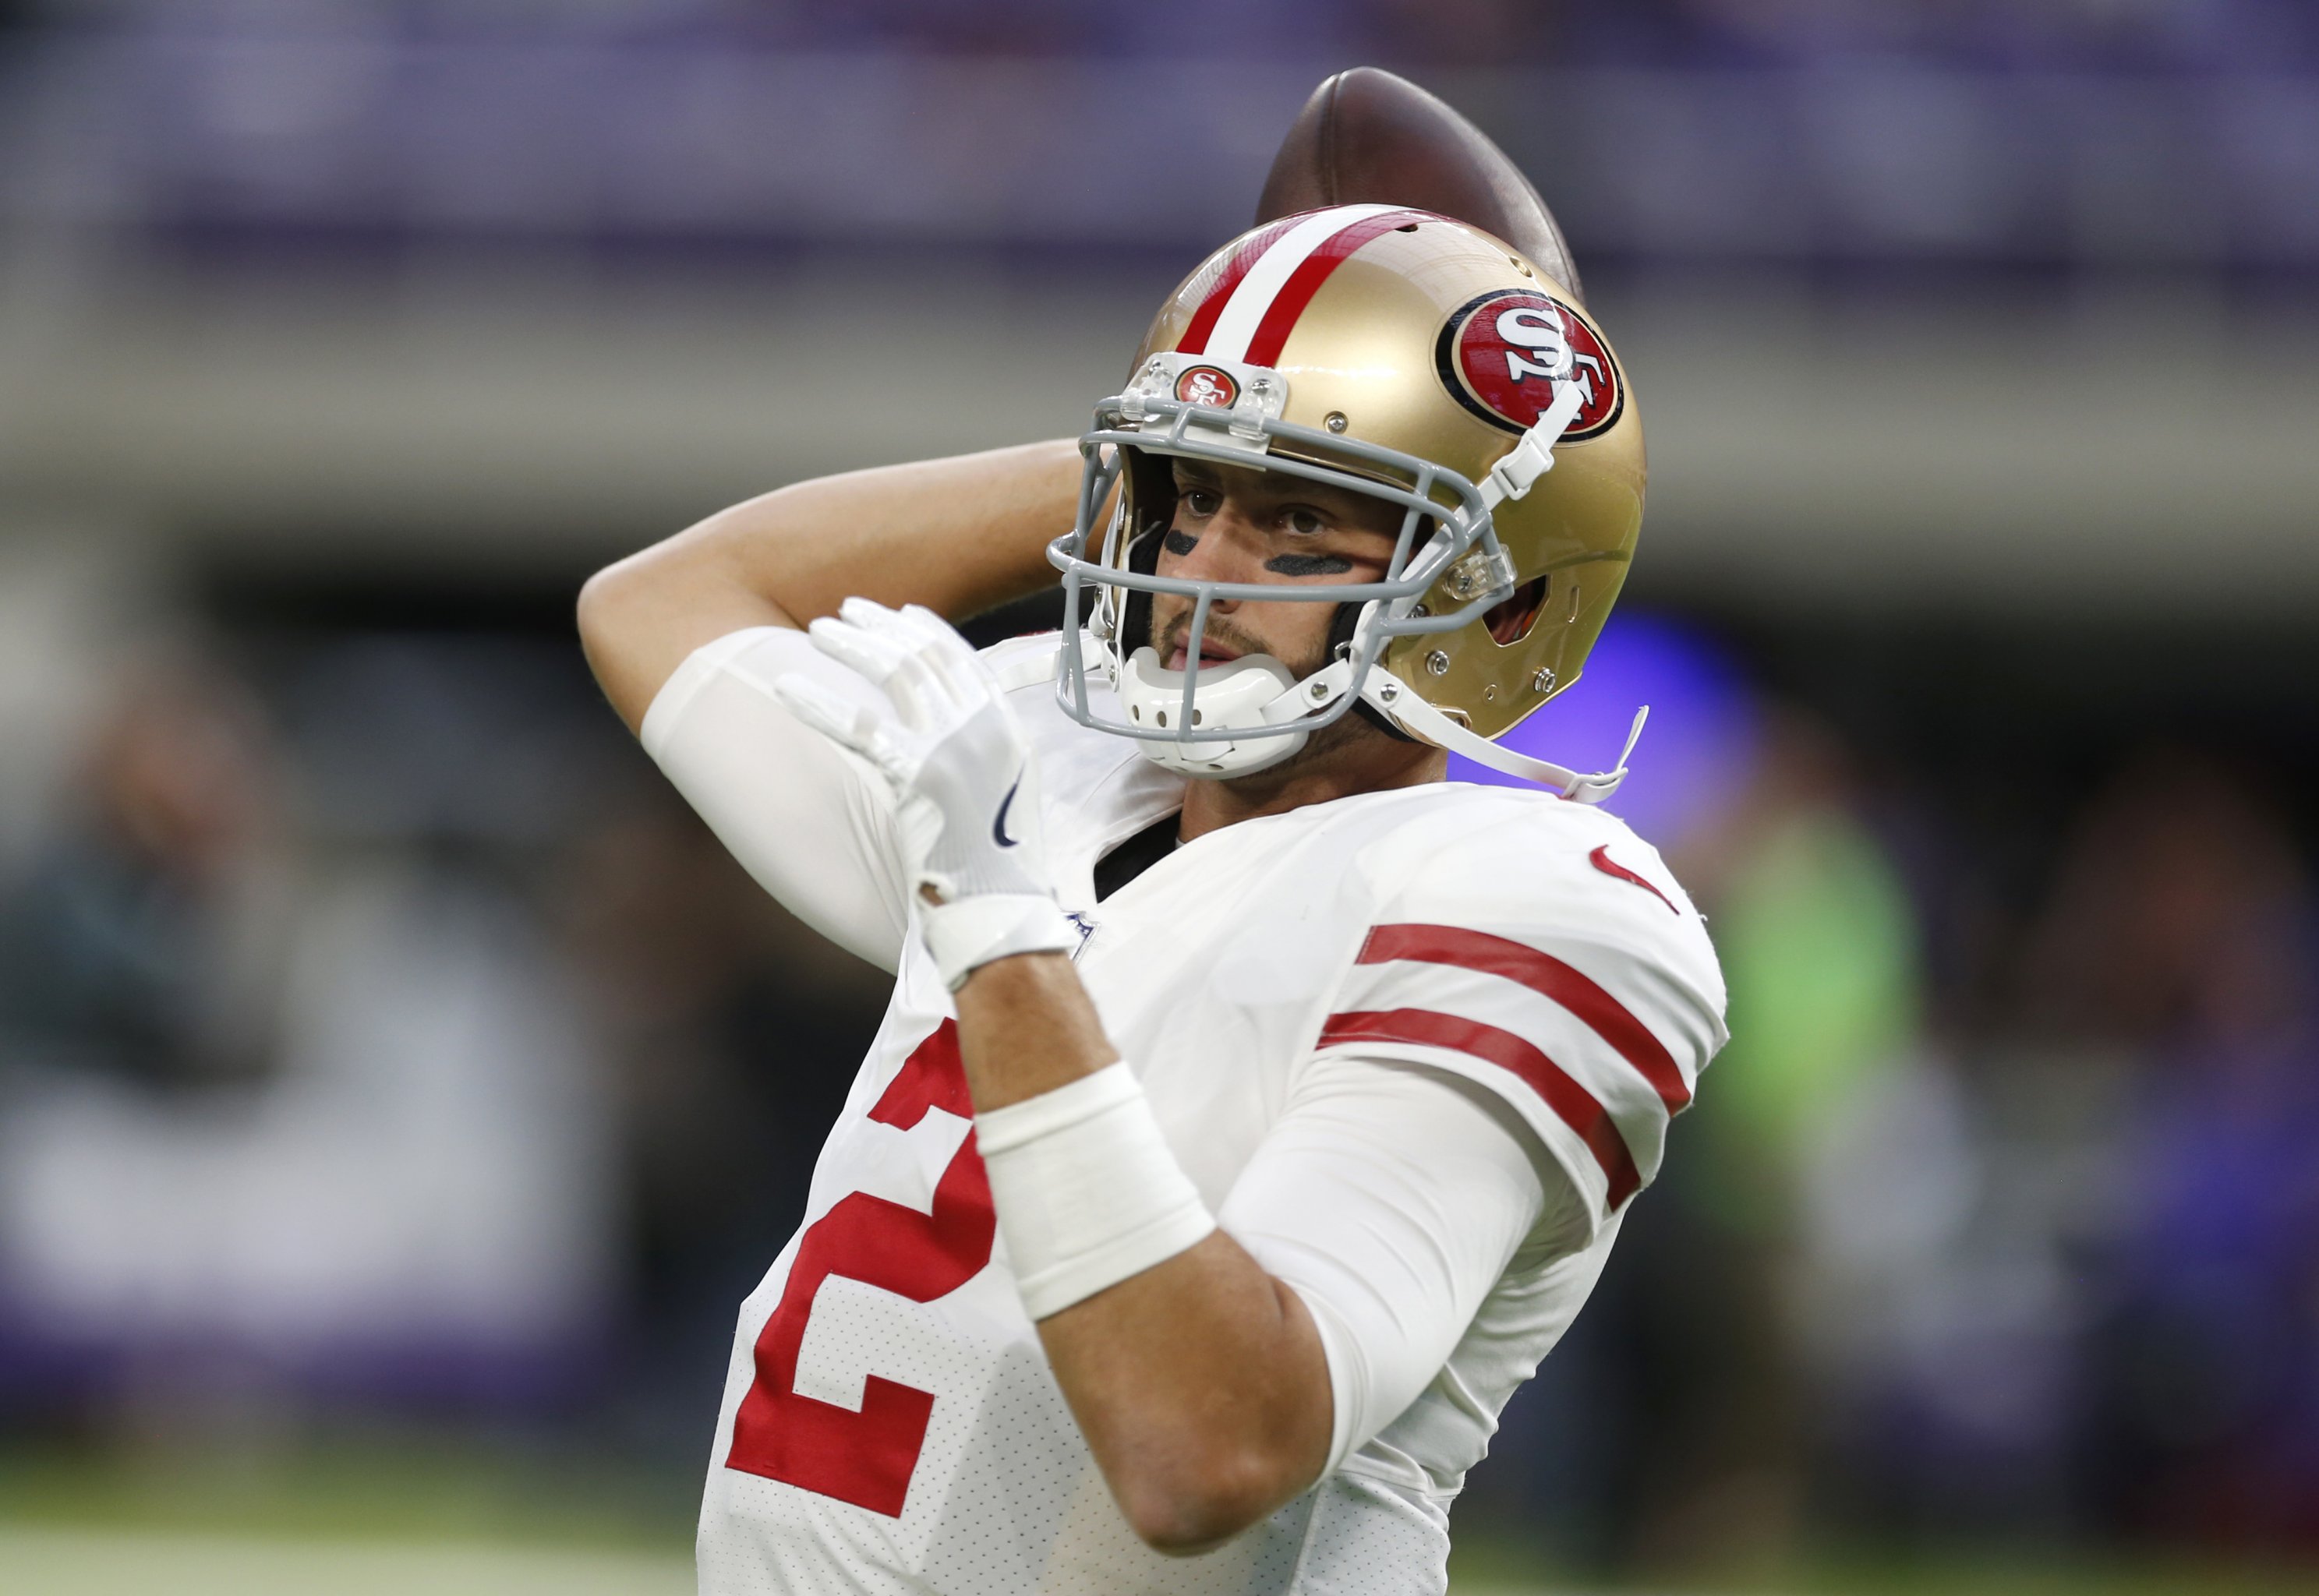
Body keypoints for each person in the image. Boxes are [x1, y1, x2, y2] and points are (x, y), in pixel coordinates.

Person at [578, 203, 1727, 1594]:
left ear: (1498, 593)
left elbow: (1209, 1452)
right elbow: (669, 602)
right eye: (1186, 504)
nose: (1191, 575)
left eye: (1298, 518)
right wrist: (1199, 425)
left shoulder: (1529, 901)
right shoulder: (1059, 776)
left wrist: (999, 922)